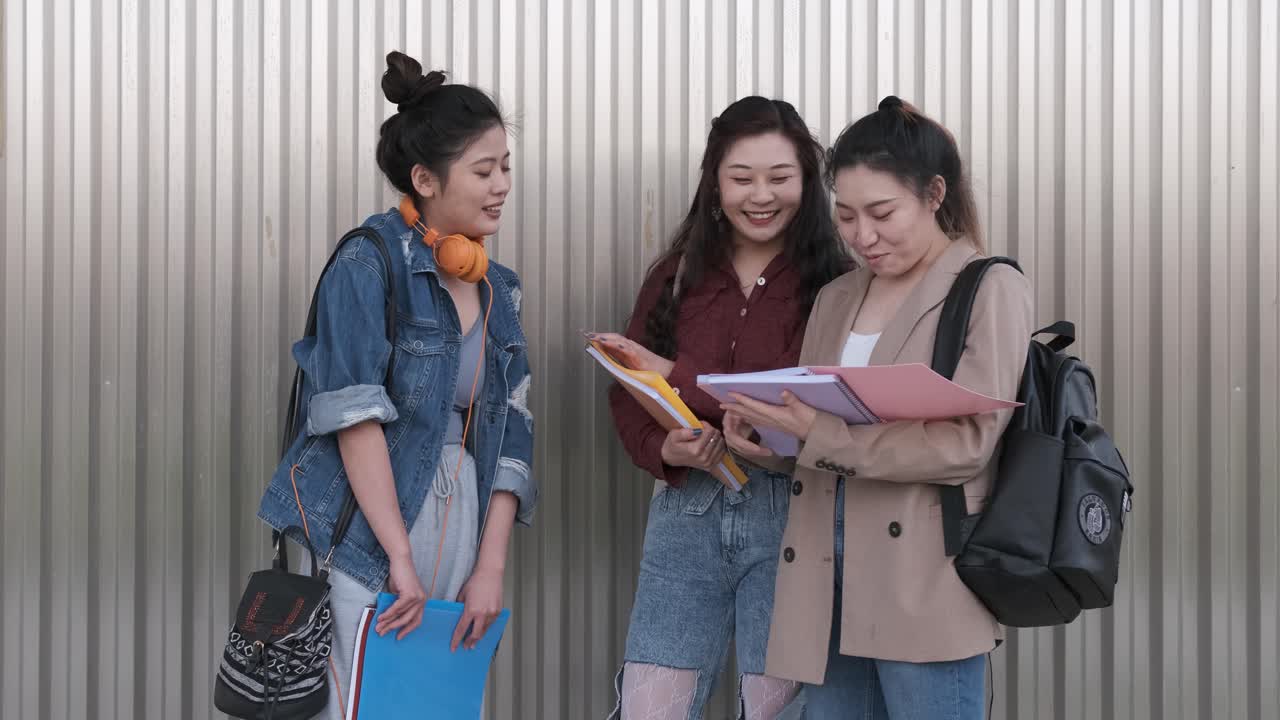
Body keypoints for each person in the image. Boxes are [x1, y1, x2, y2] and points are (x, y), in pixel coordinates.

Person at [721, 96, 1034, 720]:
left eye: (882, 213)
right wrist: (772, 441)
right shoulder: (838, 295)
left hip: (922, 581)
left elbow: (969, 444)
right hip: (825, 577)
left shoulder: (987, 287)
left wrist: (820, 437)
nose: (863, 236)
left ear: (934, 193)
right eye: (845, 216)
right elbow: (821, 440)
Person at [256, 51, 536, 720]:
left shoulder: (501, 288)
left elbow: (514, 430)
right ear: (425, 179)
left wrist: (490, 566)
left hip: (463, 517)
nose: (501, 185)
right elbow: (353, 420)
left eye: (506, 168)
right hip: (369, 528)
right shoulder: (368, 262)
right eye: (483, 170)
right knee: (361, 707)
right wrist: (398, 558)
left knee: (436, 704)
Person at [595, 96, 850, 719]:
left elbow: (794, 399)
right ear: (715, 184)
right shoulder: (676, 275)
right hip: (687, 510)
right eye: (741, 178)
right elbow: (628, 391)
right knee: (648, 709)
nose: (760, 195)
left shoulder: (838, 285)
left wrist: (672, 375)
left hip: (794, 515)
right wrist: (663, 447)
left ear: (807, 183)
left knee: (777, 710)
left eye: (779, 178)